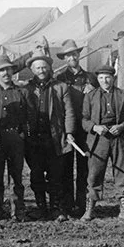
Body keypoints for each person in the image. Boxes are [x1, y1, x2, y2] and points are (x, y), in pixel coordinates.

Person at [80, 64, 124, 221]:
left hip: (120, 140)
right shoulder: (90, 96)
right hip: (98, 141)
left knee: (122, 174)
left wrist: (122, 127)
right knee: (94, 175)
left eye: (107, 77)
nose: (104, 81)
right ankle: (90, 209)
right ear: (97, 79)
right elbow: (84, 120)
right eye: (101, 78)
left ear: (113, 78)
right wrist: (94, 127)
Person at [26, 52, 77, 221]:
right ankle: (41, 208)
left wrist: (68, 132)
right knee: (37, 175)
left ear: (49, 68)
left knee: (56, 176)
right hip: (34, 140)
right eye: (38, 68)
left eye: (44, 67)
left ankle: (56, 208)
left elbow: (69, 111)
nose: (41, 70)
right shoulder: (27, 88)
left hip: (54, 138)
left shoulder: (60, 87)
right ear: (33, 70)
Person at [0, 60, 31, 222]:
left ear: (13, 72)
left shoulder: (21, 92)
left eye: (8, 70)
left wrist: (23, 136)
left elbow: (28, 116)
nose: (5, 73)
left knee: (16, 176)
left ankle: (17, 209)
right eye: (1, 70)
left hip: (16, 138)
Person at [53, 40, 92, 216]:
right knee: (65, 168)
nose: (72, 57)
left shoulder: (91, 78)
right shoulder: (60, 79)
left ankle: (82, 205)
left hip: (85, 128)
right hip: (66, 127)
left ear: (79, 55)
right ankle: (67, 206)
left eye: (74, 54)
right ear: (64, 58)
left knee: (85, 168)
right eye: (68, 55)